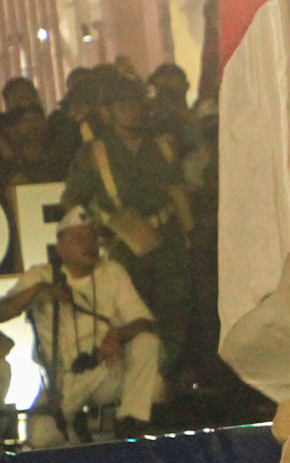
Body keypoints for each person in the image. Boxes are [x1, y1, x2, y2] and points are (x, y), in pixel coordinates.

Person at [60, 68, 193, 380]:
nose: (131, 111)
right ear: (107, 111)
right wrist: (101, 226)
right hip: (123, 246)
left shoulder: (161, 144)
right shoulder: (94, 153)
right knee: (131, 315)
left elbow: (177, 190)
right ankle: (143, 380)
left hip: (166, 240)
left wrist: (189, 234)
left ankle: (167, 376)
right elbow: (73, 202)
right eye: (122, 105)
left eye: (134, 103)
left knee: (175, 311)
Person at [0, 206, 162, 444]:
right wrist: (41, 291)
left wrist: (118, 335)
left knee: (148, 346)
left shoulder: (111, 272)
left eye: (92, 237)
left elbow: (144, 323)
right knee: (42, 438)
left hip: (105, 368)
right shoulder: (41, 275)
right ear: (60, 248)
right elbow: (1, 313)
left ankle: (130, 425)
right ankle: (75, 430)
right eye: (80, 238)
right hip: (63, 382)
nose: (89, 244)